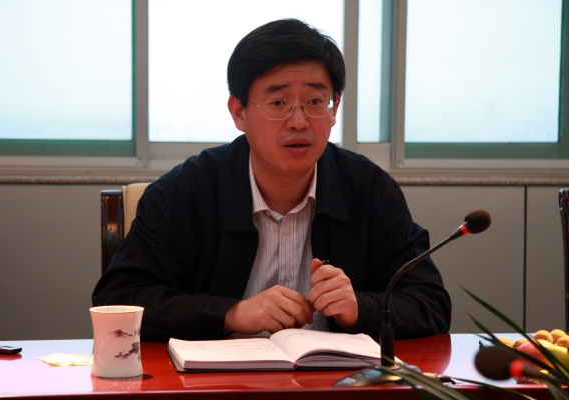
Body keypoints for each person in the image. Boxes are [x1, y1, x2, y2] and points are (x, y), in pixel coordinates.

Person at [92, 18, 451, 342]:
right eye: (278, 103)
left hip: (336, 382)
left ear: (334, 108)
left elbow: (430, 302)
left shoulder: (369, 190)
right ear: (239, 112)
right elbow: (118, 300)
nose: (299, 121)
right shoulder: (185, 193)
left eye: (315, 101)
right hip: (216, 384)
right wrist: (231, 313)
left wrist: (361, 308)